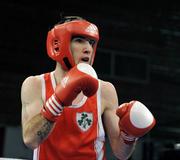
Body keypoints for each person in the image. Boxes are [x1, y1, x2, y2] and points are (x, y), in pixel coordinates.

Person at [21, 16, 156, 160]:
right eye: (79, 40)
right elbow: (30, 140)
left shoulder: (105, 90)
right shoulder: (35, 85)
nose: (88, 49)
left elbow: (122, 153)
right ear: (57, 44)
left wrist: (129, 136)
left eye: (91, 42)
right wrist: (57, 101)